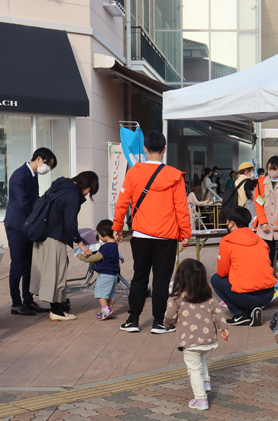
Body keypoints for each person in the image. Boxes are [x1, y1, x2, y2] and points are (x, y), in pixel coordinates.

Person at [113, 131, 191, 334]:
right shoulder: (175, 175)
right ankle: (158, 322)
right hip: (167, 236)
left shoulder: (134, 172)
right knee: (161, 280)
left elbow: (122, 203)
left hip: (141, 235)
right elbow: (181, 207)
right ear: (164, 150)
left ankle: (133, 320)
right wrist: (186, 234)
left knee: (139, 277)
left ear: (145, 149)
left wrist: (117, 228)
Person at [31, 171, 98, 322]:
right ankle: (57, 311)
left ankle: (58, 306)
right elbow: (70, 223)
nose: (88, 194)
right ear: (86, 185)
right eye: (90, 190)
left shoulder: (60, 185)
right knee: (57, 273)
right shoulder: (73, 195)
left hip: (42, 233)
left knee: (50, 271)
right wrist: (80, 243)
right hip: (55, 237)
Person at [164, 259, 229, 411]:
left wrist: (168, 325)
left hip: (190, 342)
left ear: (180, 277)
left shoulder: (176, 298)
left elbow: (169, 316)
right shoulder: (208, 296)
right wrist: (223, 327)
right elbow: (218, 312)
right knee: (200, 358)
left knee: (193, 369)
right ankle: (205, 381)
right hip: (208, 341)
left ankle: (201, 400)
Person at [4, 148, 56, 316]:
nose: (47, 168)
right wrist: (40, 215)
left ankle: (28, 300)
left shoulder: (32, 176)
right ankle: (16, 303)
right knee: (18, 264)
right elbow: (24, 203)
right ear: (39, 159)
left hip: (27, 226)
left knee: (29, 265)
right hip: (16, 226)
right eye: (47, 164)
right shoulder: (19, 175)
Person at [211, 206, 276, 327]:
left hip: (247, 296)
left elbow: (222, 273)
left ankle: (239, 313)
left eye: (227, 221)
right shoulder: (260, 239)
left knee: (215, 279)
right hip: (269, 294)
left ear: (232, 223)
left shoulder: (227, 241)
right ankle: (252, 310)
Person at [75, 219, 120, 321]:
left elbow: (96, 258)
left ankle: (105, 310)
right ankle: (110, 310)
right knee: (111, 294)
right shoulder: (114, 245)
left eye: (98, 234)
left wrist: (81, 257)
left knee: (101, 293)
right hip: (113, 274)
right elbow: (116, 255)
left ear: (103, 234)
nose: (98, 236)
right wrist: (121, 257)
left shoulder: (105, 247)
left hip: (105, 274)